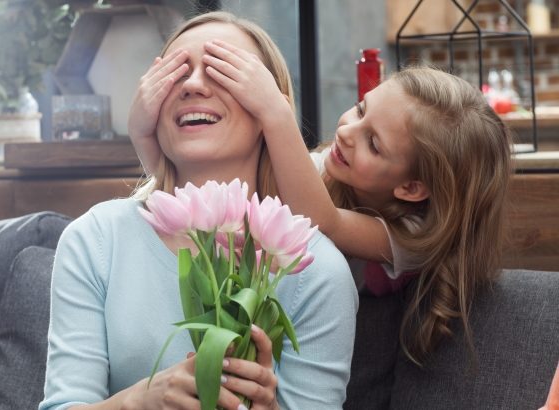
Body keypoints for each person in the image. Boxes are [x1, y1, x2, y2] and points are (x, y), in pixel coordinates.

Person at [40, 11, 358, 410]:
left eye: (223, 69)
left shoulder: (315, 270)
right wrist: (139, 401)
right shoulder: (96, 239)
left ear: (271, 110)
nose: (192, 84)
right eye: (174, 73)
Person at [131, 42, 512, 365]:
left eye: (373, 143)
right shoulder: (323, 170)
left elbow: (321, 223)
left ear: (412, 188)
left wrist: (276, 112)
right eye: (361, 109)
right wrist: (143, 133)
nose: (345, 132)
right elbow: (186, 192)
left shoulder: (413, 237)